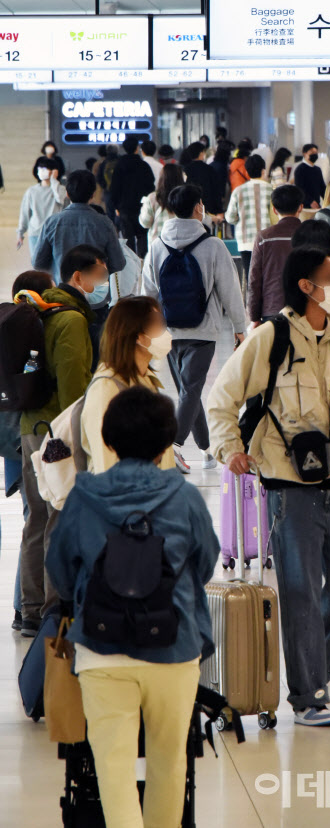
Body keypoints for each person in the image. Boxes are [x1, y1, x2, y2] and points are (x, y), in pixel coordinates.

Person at [207, 246, 330, 726]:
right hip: (290, 489)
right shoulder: (272, 337)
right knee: (301, 591)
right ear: (307, 286)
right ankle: (308, 697)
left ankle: (313, 675)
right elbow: (221, 398)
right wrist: (230, 450)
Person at [46, 385, 220, 828]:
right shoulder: (183, 497)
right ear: (167, 442)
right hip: (174, 647)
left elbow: (60, 570)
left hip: (102, 651)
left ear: (107, 439)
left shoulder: (84, 495)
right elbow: (204, 562)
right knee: (169, 765)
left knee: (114, 770)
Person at [19, 245, 108, 636]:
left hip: (30, 427)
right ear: (78, 277)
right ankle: (54, 611)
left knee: (36, 517)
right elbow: (74, 386)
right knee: (58, 517)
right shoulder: (70, 320)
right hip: (56, 432)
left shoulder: (42, 310)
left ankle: (30, 609)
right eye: (100, 276)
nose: (103, 284)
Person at [143, 184, 246, 475]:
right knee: (191, 389)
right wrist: (240, 328)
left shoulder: (157, 245)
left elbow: (148, 292)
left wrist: (149, 329)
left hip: (169, 331)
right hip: (204, 331)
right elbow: (230, 290)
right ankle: (172, 447)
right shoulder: (213, 246)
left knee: (190, 389)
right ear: (199, 208)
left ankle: (206, 449)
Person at [33, 169, 126, 360]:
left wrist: (59, 269)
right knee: (96, 357)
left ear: (67, 193)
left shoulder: (53, 223)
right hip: (96, 301)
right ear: (93, 194)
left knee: (66, 356)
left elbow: (38, 263)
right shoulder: (104, 223)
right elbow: (118, 263)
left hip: (62, 300)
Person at [81, 296, 176, 474]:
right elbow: (106, 464)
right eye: (158, 323)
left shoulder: (146, 380)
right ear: (138, 336)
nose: (165, 331)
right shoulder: (106, 388)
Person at [8, 270, 54, 633]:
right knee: (39, 518)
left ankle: (23, 610)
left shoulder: (10, 328)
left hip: (12, 438)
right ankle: (30, 609)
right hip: (32, 434)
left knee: (31, 518)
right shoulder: (37, 330)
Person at [247, 184, 304, 325]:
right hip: (305, 310)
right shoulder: (310, 234)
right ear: (300, 207)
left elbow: (255, 280)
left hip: (272, 310)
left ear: (274, 209)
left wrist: (254, 317)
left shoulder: (264, 237)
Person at [225, 153, 274, 278]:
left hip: (245, 242)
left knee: (250, 278)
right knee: (267, 278)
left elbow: (230, 217)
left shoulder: (238, 191)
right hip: (267, 241)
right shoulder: (271, 190)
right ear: (263, 171)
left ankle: (251, 298)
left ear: (246, 171)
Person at [109, 136, 157, 257]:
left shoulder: (119, 166)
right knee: (142, 237)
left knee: (127, 239)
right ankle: (142, 265)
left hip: (124, 208)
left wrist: (116, 206)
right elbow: (150, 187)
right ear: (137, 148)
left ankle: (131, 267)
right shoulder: (144, 166)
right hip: (141, 207)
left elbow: (114, 188)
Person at [17, 156, 67, 260]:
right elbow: (25, 213)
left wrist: (54, 181)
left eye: (44, 169)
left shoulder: (60, 189)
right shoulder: (31, 191)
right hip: (36, 233)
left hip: (55, 233)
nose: (41, 171)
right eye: (39, 169)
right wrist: (20, 233)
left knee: (56, 265)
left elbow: (60, 199)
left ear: (53, 171)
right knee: (38, 265)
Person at [139, 163, 185, 248]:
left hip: (158, 248)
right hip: (181, 248)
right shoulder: (186, 197)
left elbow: (145, 223)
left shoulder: (153, 198)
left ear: (161, 178)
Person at [181, 140, 225, 225]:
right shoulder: (210, 170)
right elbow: (216, 191)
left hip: (190, 210)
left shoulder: (185, 170)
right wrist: (219, 210)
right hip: (209, 210)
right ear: (201, 153)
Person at [293, 143, 326, 209]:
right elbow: (300, 189)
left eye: (316, 152)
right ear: (304, 154)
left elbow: (322, 187)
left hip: (316, 204)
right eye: (312, 152)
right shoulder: (300, 169)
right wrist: (310, 201)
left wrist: (328, 198)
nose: (315, 154)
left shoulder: (317, 169)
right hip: (304, 206)